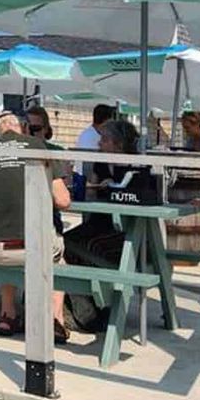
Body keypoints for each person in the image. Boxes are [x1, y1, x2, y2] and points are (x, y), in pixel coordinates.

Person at [0, 111, 71, 341]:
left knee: (8, 236)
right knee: (58, 256)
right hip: (28, 250)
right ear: (22, 128)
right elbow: (63, 201)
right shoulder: (36, 146)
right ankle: (54, 319)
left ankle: (7, 315)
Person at [62, 118, 147, 331]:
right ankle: (86, 310)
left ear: (119, 144)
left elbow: (139, 198)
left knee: (88, 248)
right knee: (62, 243)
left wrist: (113, 187)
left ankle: (93, 310)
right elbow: (91, 190)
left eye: (105, 140)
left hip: (127, 232)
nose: (99, 144)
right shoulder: (100, 162)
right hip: (99, 223)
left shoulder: (137, 167)